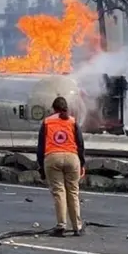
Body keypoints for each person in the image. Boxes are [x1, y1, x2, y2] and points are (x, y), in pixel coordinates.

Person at [37, 96, 86, 238]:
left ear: (53, 109)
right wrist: (82, 164)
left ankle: (61, 226)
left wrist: (41, 166)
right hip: (72, 158)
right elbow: (80, 145)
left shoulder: (46, 122)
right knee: (73, 192)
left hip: (52, 158)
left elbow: (40, 148)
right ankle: (77, 227)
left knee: (59, 191)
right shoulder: (73, 121)